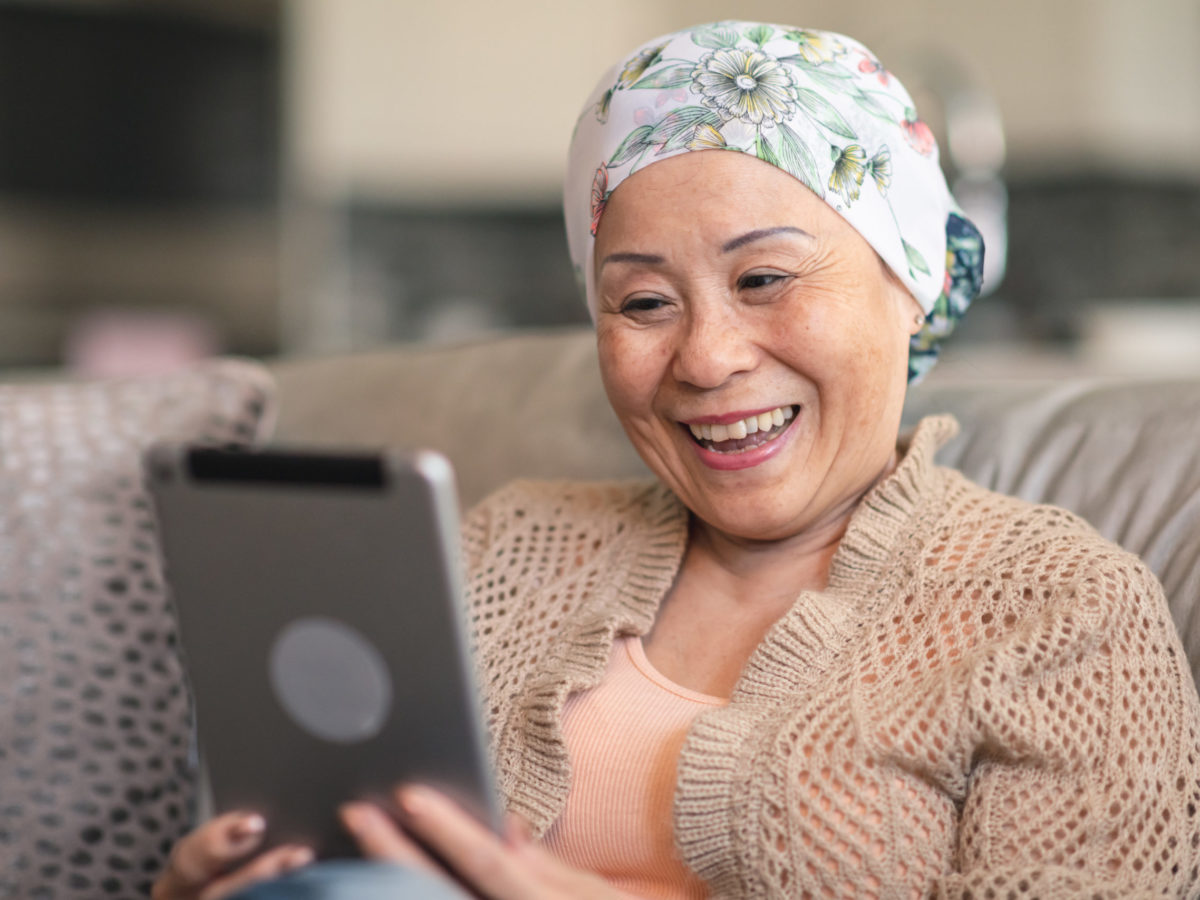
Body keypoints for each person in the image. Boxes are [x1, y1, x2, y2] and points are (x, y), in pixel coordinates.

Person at [154, 20, 1200, 899]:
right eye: (644, 302)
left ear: (912, 279)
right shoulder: (505, 543)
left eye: (764, 280)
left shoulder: (1066, 611)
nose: (706, 358)